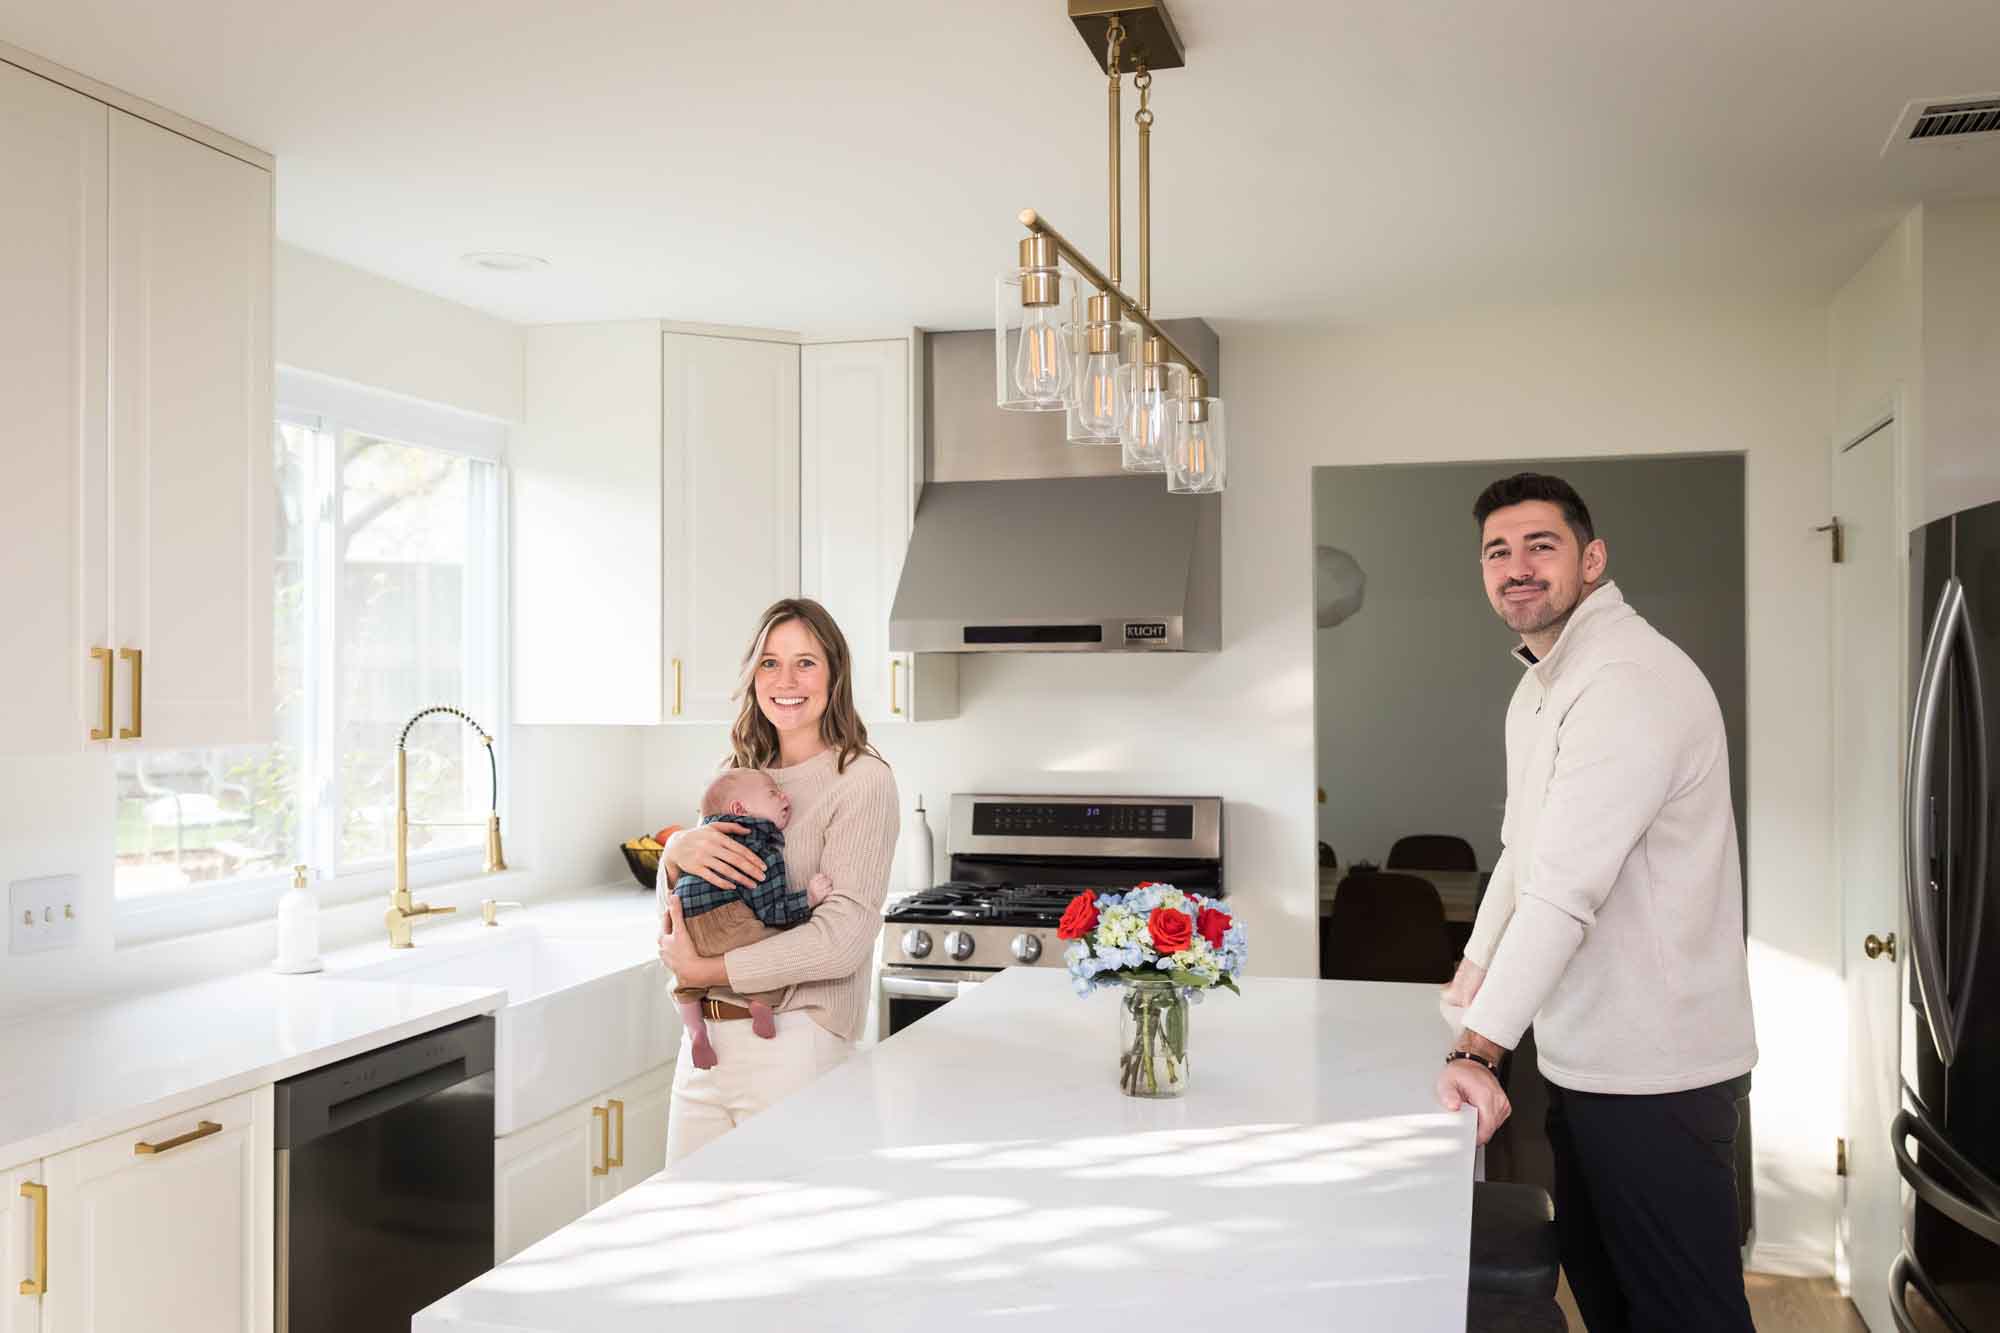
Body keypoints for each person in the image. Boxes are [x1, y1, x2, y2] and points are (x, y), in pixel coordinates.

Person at [1434, 473, 1757, 1332]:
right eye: (1497, 551)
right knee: (1612, 1299)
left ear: (1592, 558)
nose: (1517, 567)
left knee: (1688, 1314)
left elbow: (1564, 889)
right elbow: (1522, 852)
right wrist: (1472, 976)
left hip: (1658, 1068)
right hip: (1589, 1057)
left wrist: (1480, 1047)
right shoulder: (1543, 683)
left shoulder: (1625, 680)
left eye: (1541, 545)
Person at [655, 598, 898, 1164]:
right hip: (704, 1047)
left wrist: (708, 972)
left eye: (805, 662)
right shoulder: (735, 776)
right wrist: (673, 856)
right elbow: (680, 919)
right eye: (770, 663)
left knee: (788, 1219)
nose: (785, 681)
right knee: (686, 1216)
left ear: (834, 675)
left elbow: (842, 940)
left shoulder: (861, 780)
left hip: (794, 1046)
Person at [670, 767, 834, 1069]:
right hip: (728, 923)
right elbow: (771, 910)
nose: (785, 797)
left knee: (685, 985)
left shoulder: (701, 840)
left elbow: (670, 890)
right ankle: (761, 1003)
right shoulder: (761, 849)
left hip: (684, 926)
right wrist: (808, 898)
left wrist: (673, 851)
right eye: (773, 794)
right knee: (772, 946)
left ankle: (696, 1032)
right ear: (739, 809)